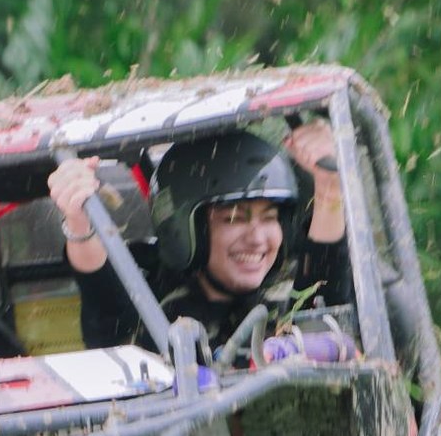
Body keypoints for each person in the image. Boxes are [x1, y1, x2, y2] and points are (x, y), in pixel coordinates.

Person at [47, 122, 349, 352]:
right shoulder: (146, 308)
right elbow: (102, 291)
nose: (258, 238)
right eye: (234, 218)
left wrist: (329, 186)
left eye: (269, 217)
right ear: (186, 228)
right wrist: (79, 215)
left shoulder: (284, 298)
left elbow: (324, 306)